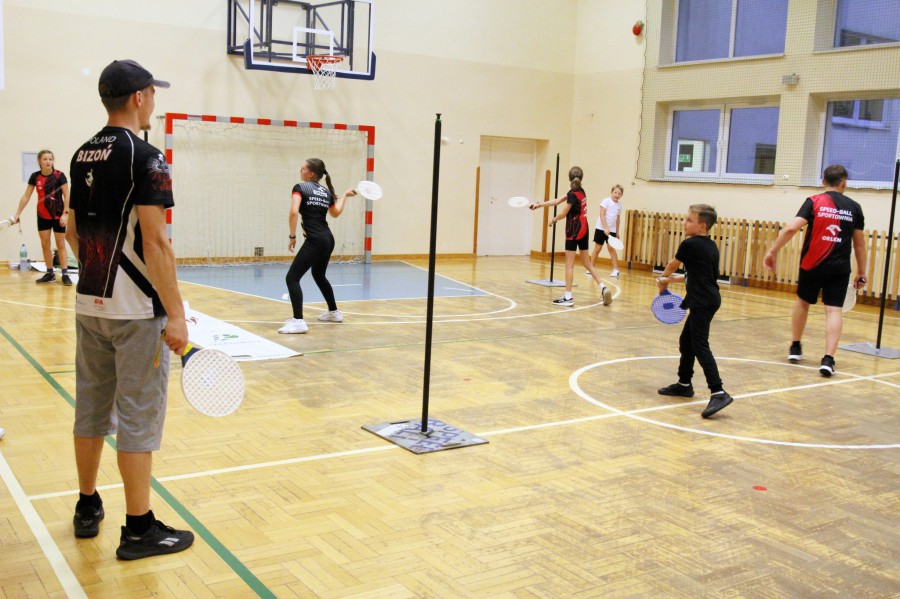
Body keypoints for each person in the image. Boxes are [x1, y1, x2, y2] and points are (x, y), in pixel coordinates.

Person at [65, 59, 194, 560]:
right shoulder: (148, 157)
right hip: (136, 312)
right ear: (139, 97)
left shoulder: (81, 153)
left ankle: (86, 505)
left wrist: (101, 274)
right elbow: (157, 243)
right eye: (152, 94)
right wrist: (176, 314)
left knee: (91, 408)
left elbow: (72, 231)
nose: (154, 102)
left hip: (89, 303)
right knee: (138, 417)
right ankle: (139, 529)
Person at [763, 164, 866, 377]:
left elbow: (792, 228)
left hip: (812, 264)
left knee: (803, 302)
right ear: (844, 183)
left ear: (823, 181)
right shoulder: (855, 207)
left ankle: (795, 347)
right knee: (834, 311)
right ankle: (828, 360)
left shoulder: (814, 201)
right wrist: (862, 271)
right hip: (839, 267)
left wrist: (772, 251)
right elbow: (859, 245)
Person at [656, 204, 733, 419]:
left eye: (689, 220)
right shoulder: (710, 246)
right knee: (687, 342)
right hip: (707, 299)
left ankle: (718, 391)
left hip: (702, 301)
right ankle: (684, 384)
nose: (684, 223)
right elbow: (693, 276)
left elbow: (673, 264)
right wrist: (668, 281)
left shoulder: (689, 244)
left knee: (699, 344)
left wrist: (664, 278)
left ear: (702, 226)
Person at [280, 159, 356, 333]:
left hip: (315, 240)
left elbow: (294, 212)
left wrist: (292, 236)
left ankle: (298, 321)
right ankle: (334, 312)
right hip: (328, 239)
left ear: (311, 173)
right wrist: (345, 195)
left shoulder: (300, 188)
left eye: (303, 168)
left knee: (292, 278)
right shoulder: (326, 192)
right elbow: (335, 213)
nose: (300, 170)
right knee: (319, 275)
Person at [530, 166, 613, 307]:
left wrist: (553, 220)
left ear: (569, 178)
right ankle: (603, 287)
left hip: (573, 231)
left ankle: (568, 296)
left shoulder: (572, 194)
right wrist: (539, 205)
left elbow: (563, 213)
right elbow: (557, 200)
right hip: (584, 230)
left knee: (569, 265)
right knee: (587, 263)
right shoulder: (581, 191)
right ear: (581, 178)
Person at [14, 149, 72, 285]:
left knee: (61, 244)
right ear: (39, 161)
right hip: (42, 216)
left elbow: (67, 195)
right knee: (45, 244)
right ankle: (50, 273)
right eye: (45, 159)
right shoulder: (35, 176)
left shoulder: (59, 175)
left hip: (58, 216)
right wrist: (17, 213)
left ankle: (65, 274)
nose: (48, 161)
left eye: (50, 159)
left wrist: (65, 214)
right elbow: (26, 196)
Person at [588, 184, 624, 277]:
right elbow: (602, 214)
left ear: (621, 195)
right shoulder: (606, 201)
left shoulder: (619, 205)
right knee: (597, 248)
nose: (617, 195)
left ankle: (616, 270)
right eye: (615, 192)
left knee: (611, 249)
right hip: (601, 228)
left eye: (619, 193)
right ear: (611, 192)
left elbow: (618, 219)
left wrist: (617, 232)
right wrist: (605, 228)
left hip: (612, 230)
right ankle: (591, 268)